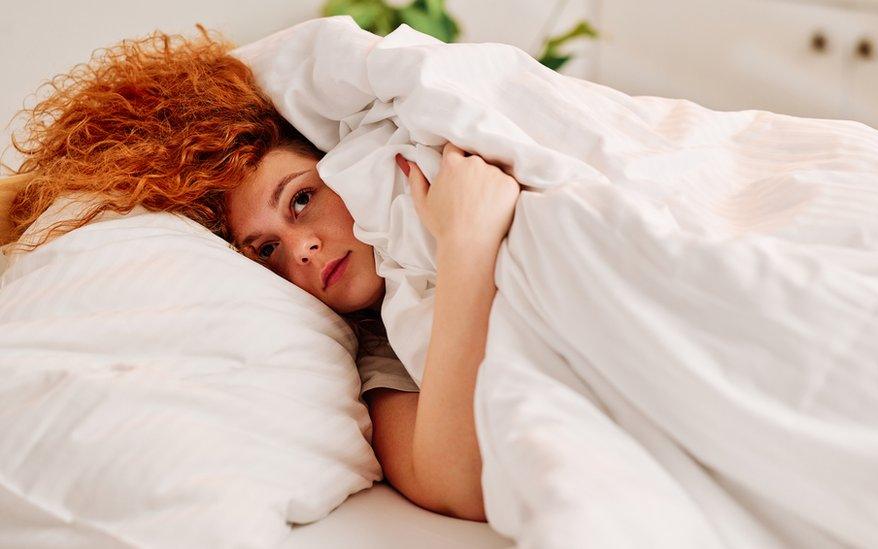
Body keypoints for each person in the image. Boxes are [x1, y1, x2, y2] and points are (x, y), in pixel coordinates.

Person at [0, 27, 519, 522]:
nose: (303, 250)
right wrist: (466, 247)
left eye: (302, 199)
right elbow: (455, 485)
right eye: (266, 248)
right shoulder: (368, 359)